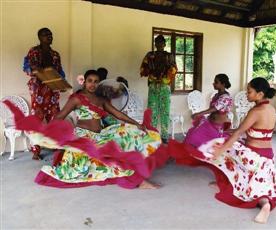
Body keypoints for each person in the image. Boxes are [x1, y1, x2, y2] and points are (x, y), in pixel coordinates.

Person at [5, 70, 168, 189]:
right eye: (90, 80)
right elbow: (60, 115)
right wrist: (47, 130)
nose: (92, 84)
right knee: (80, 166)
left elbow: (118, 114)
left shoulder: (101, 99)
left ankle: (136, 178)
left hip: (101, 135)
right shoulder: (76, 98)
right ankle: (134, 179)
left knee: (129, 139)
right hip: (83, 136)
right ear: (85, 82)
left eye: (96, 81)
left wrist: (137, 124)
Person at [172, 77, 276, 224]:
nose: (247, 94)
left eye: (249, 91)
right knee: (253, 178)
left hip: (253, 157)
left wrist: (220, 149)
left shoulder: (256, 111)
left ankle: (264, 204)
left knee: (220, 147)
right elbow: (255, 132)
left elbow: (239, 132)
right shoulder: (270, 109)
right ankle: (232, 185)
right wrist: (231, 132)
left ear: (259, 94)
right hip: (268, 157)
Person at [23, 27, 65, 160]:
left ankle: (57, 147)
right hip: (38, 90)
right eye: (45, 34)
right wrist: (37, 71)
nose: (49, 36)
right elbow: (28, 68)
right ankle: (36, 150)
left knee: (56, 118)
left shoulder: (56, 54)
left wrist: (62, 84)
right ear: (39, 37)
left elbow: (60, 72)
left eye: (50, 34)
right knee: (37, 120)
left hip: (52, 90)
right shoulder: (34, 51)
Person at [140, 35, 177, 144]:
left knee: (165, 111)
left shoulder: (169, 56)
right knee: (152, 111)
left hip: (165, 86)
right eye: (157, 42)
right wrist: (150, 69)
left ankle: (165, 136)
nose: (159, 44)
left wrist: (166, 73)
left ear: (165, 44)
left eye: (161, 42)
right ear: (155, 44)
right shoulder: (150, 55)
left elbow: (174, 70)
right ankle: (152, 134)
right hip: (153, 86)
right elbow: (143, 69)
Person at [184, 73, 233, 148]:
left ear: (223, 84)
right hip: (210, 123)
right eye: (214, 81)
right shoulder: (216, 95)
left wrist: (199, 114)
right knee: (192, 136)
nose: (213, 83)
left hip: (219, 127)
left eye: (216, 82)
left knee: (211, 146)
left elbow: (214, 109)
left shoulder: (226, 97)